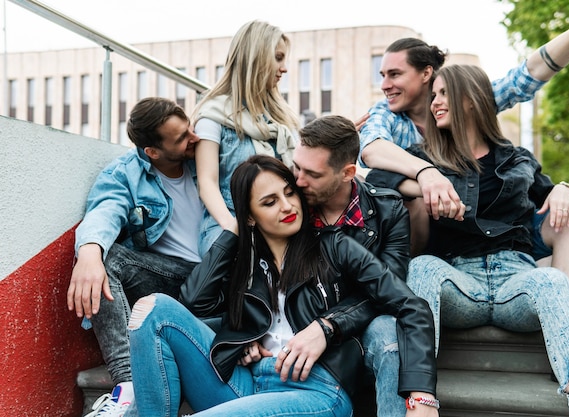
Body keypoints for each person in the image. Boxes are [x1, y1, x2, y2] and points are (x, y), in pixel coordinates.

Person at [357, 2, 569, 388]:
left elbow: (532, 72)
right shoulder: (389, 117)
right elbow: (371, 155)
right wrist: (428, 176)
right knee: (414, 216)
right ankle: (416, 375)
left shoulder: (490, 130)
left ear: (430, 76)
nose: (385, 84)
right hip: (439, 248)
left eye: (395, 74)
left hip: (504, 252)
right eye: (382, 74)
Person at [368, 64, 569, 416]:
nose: (435, 102)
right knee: (422, 268)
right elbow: (376, 178)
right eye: (433, 95)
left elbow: (556, 204)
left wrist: (563, 190)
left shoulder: (517, 159)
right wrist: (426, 183)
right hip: (459, 282)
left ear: (472, 99)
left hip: (517, 282)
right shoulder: (424, 158)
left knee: (554, 281)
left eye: (444, 93)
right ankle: (420, 401)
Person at [126, 154, 438, 417]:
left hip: (316, 388)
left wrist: (422, 393)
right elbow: (195, 301)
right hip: (246, 384)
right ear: (250, 216)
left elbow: (412, 306)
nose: (288, 206)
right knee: (153, 309)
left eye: (289, 193)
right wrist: (235, 233)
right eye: (270, 202)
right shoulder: (246, 264)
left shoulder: (335, 246)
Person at [67, 97, 202, 417]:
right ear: (152, 152)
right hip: (172, 277)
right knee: (106, 259)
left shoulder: (208, 158)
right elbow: (105, 212)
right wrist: (88, 253)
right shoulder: (125, 174)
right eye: (181, 137)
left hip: (220, 273)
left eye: (189, 129)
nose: (194, 138)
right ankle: (128, 382)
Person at [293, 115, 414, 417]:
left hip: (360, 324)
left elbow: (389, 291)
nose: (298, 181)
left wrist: (330, 325)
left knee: (390, 334)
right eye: (296, 167)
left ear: (348, 172)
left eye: (312, 174)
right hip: (299, 324)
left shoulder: (388, 209)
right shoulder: (289, 203)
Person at [191, 20, 300, 255]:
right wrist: (232, 229)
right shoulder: (213, 115)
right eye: (278, 58)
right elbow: (207, 183)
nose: (284, 68)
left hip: (281, 223)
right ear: (257, 57)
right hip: (229, 225)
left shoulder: (282, 118)